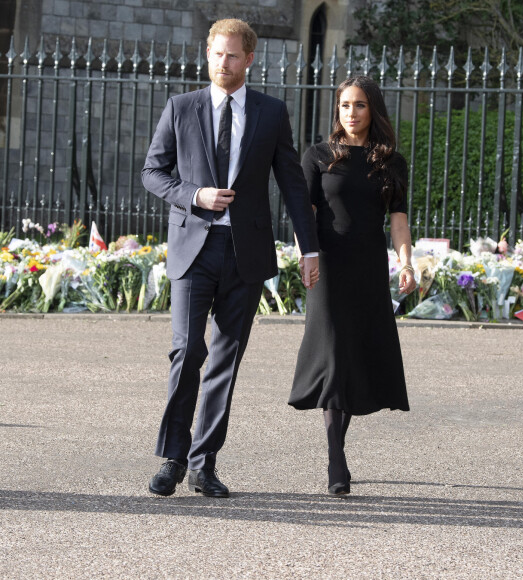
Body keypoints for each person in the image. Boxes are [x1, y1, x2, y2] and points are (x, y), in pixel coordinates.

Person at [142, 18, 319, 498]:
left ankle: (204, 463)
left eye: (233, 55)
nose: (224, 63)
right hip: (193, 248)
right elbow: (153, 173)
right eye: (217, 54)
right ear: (207, 55)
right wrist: (195, 193)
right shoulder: (181, 107)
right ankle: (173, 458)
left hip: (246, 253)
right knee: (186, 351)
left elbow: (293, 186)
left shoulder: (271, 111)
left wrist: (309, 246)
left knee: (226, 358)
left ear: (250, 59)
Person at [289, 76, 416, 496]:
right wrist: (305, 253)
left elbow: (398, 219)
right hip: (327, 264)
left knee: (356, 356)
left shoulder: (390, 162)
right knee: (332, 356)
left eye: (359, 105)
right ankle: (335, 460)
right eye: (344, 105)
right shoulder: (318, 156)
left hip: (366, 266)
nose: (351, 113)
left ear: (372, 110)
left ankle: (336, 449)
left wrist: (406, 262)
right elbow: (303, 210)